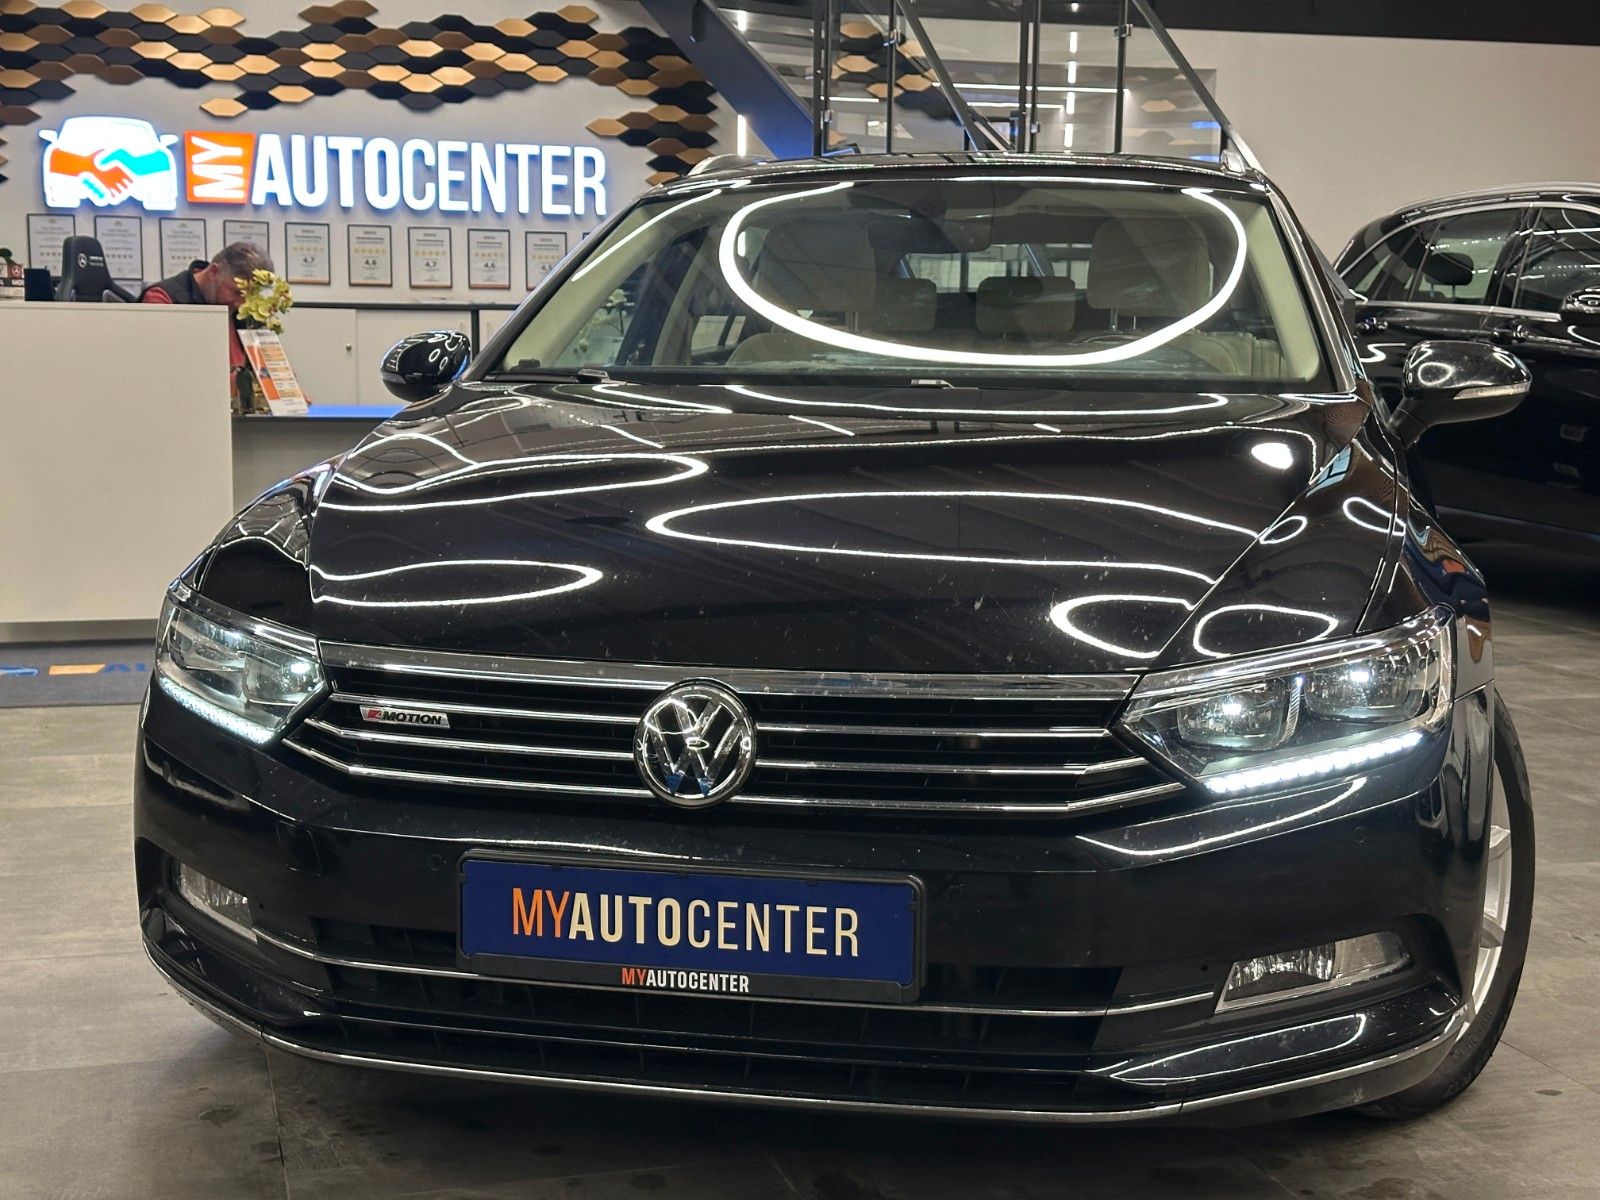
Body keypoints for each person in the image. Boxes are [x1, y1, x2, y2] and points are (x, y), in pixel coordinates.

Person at [140, 241, 272, 370]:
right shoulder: (162, 298)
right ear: (214, 272)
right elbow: (163, 368)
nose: (241, 305)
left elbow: (266, 370)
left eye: (250, 296)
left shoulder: (246, 309)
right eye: (237, 292)